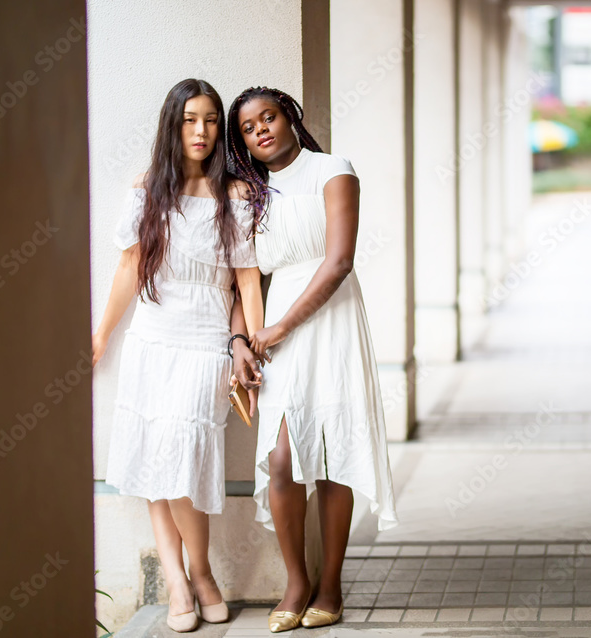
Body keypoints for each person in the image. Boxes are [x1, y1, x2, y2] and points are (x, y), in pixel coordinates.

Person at [94, 79, 264, 633]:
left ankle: (202, 572)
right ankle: (179, 582)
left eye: (212, 119)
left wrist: (254, 348)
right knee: (155, 464)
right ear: (173, 124)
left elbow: (246, 282)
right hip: (151, 340)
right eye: (190, 119)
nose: (201, 131)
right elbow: (127, 269)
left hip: (204, 342)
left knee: (184, 464)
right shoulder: (149, 190)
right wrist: (100, 337)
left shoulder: (235, 194)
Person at [226, 86, 398, 632]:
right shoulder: (248, 193)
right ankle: (296, 581)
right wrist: (244, 339)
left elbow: (339, 260)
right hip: (276, 329)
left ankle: (331, 585)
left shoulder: (332, 169)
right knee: (282, 458)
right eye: (249, 129)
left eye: (268, 118)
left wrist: (279, 326)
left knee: (332, 450)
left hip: (331, 320)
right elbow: (242, 280)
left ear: (290, 115)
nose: (261, 132)